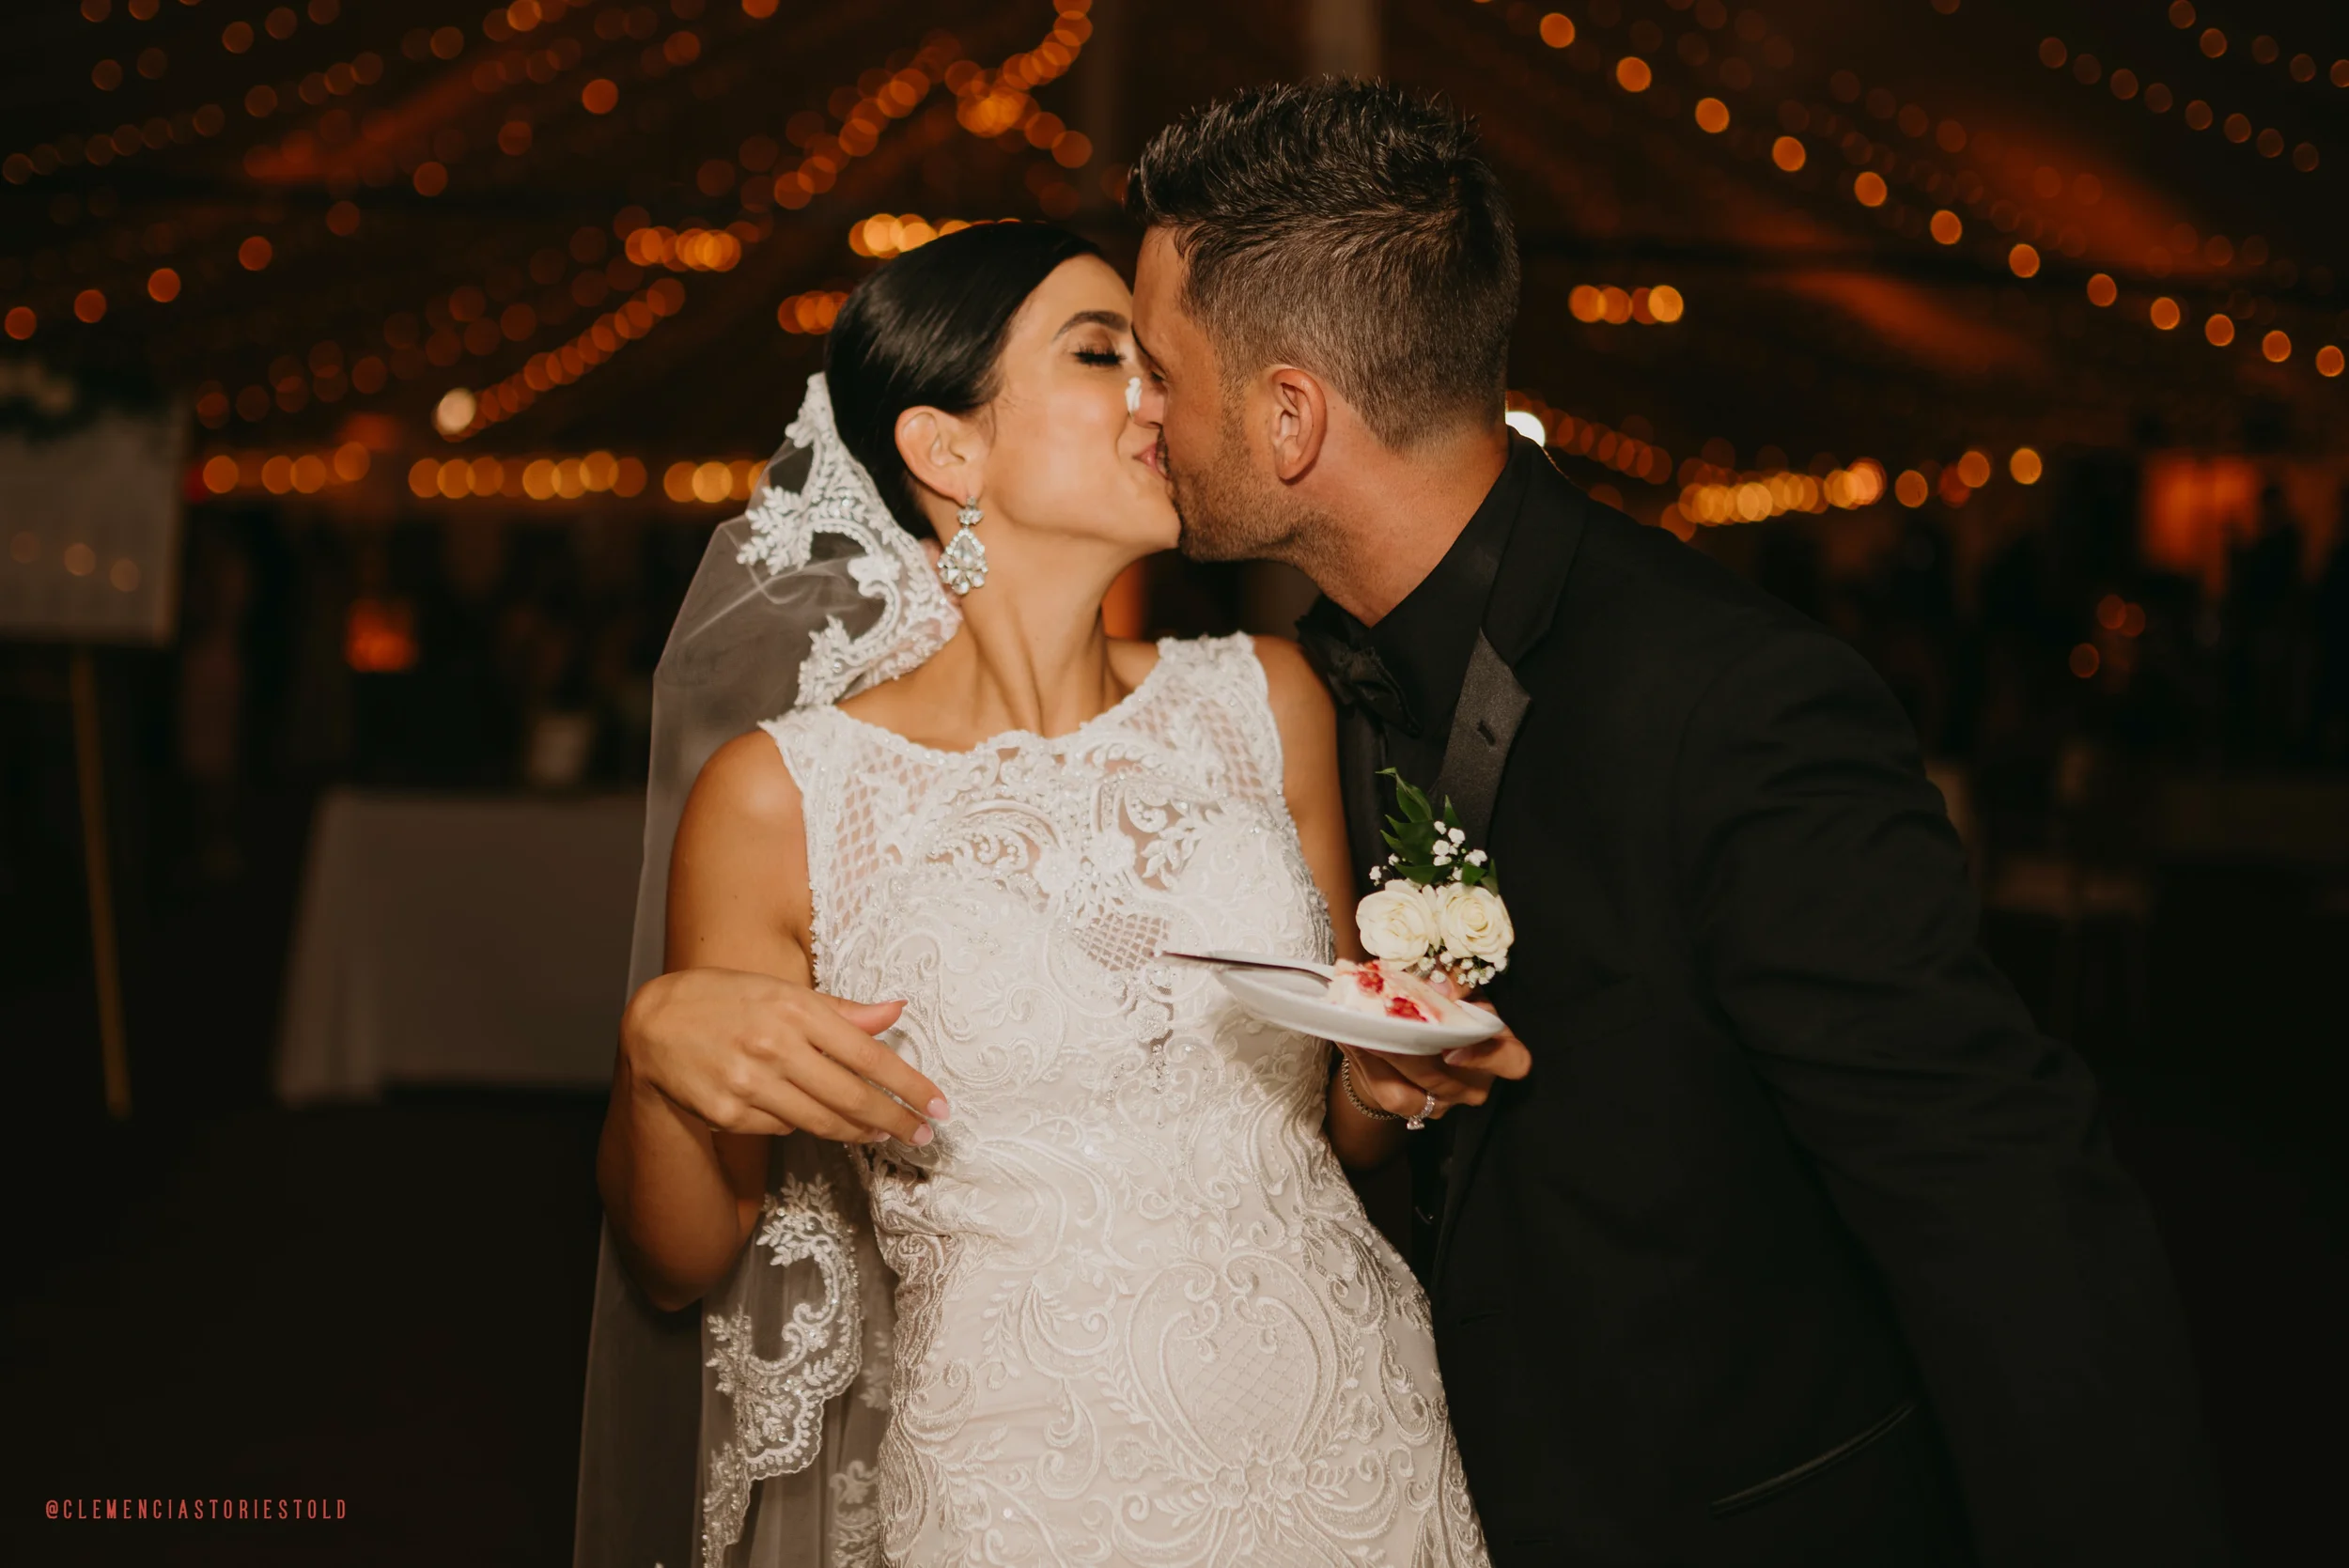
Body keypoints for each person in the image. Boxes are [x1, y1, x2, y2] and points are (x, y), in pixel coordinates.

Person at [1120, 80, 2231, 1566]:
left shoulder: (1735, 699)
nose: (1142, 409)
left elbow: (2001, 1205)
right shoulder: (1295, 701)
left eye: (1158, 369)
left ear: (1291, 414)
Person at [575, 220, 1513, 1568]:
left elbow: (1339, 1138)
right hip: (1024, 1474)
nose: (1158, 395)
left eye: (1154, 361)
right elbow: (683, 1257)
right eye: (1099, 354)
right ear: (946, 449)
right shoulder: (785, 796)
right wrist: (656, 1061)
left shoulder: (1270, 700)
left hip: (1350, 1432)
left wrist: (1386, 1078)